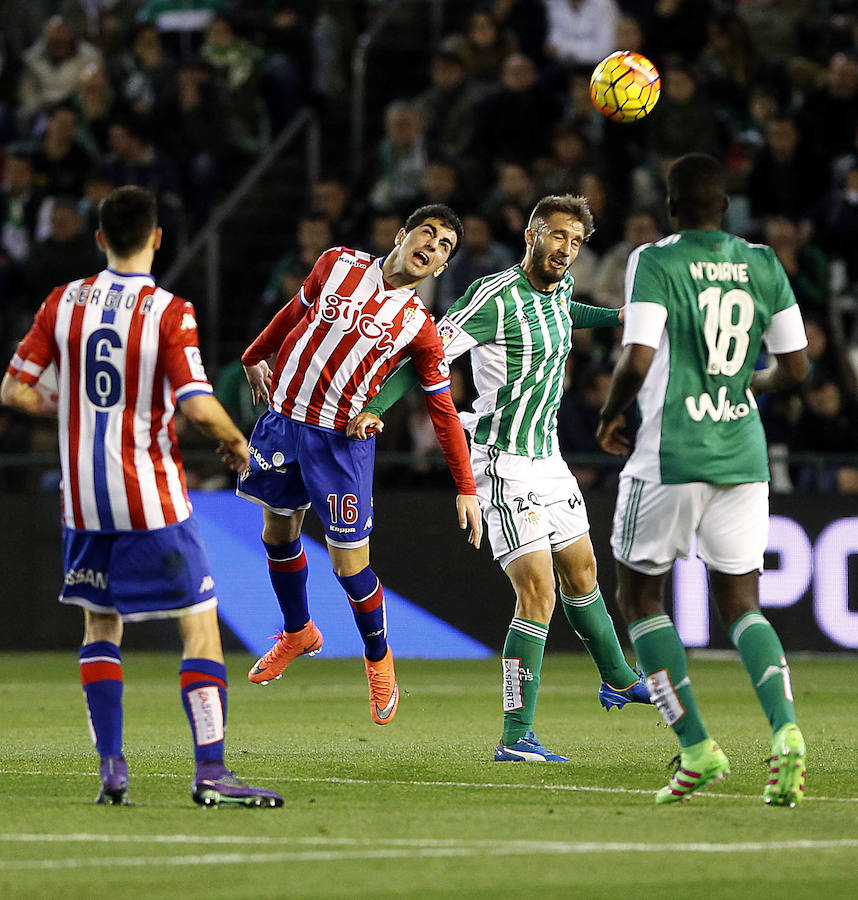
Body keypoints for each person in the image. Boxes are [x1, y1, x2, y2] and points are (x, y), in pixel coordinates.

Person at [0, 185, 283, 809]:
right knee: (200, 624)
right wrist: (238, 444)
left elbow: (14, 391)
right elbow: (198, 406)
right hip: (148, 492)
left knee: (101, 623)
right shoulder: (168, 311)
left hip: (82, 499)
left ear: (100, 238)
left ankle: (111, 767)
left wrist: (65, 406)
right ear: (157, 238)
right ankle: (210, 770)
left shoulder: (62, 302)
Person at [349, 194, 651, 762]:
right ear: (534, 233)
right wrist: (379, 406)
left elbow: (567, 313)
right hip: (498, 460)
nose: (567, 250)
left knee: (583, 570)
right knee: (536, 592)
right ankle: (515, 736)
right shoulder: (494, 297)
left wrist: (615, 317)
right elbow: (426, 353)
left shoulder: (560, 290)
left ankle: (615, 675)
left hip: (549, 458)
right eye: (559, 236)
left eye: (577, 243)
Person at [596, 153, 809, 806]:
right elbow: (796, 370)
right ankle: (786, 731)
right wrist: (753, 382)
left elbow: (637, 356)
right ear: (726, 206)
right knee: (743, 602)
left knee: (639, 600)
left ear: (670, 207)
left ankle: (696, 746)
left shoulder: (655, 260)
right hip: (743, 453)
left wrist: (610, 413)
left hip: (671, 451)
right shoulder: (764, 263)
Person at [237, 203, 482, 726]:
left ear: (440, 269)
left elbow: (442, 410)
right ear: (402, 235)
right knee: (278, 536)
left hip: (339, 445)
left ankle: (378, 660)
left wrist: (465, 485)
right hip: (284, 420)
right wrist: (253, 354)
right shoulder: (336, 263)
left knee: (349, 566)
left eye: (444, 248)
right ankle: (298, 631)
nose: (432, 247)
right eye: (428, 234)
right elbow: (291, 315)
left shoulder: (419, 327)